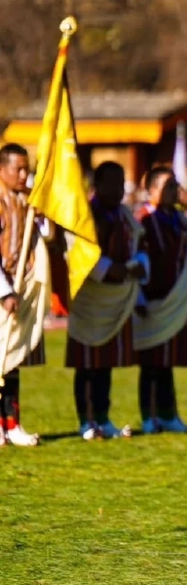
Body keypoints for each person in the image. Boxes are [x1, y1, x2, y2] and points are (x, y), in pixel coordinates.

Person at [66, 161, 147, 440]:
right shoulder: (86, 214)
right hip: (91, 299)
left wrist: (137, 264)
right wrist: (109, 268)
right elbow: (78, 250)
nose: (118, 190)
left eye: (122, 183)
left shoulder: (125, 214)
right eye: (112, 183)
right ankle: (85, 421)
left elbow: (139, 242)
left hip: (117, 298)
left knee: (105, 365)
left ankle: (103, 417)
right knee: (87, 364)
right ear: (96, 186)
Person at [133, 167, 187, 433]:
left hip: (176, 299)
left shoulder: (181, 221)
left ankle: (169, 414)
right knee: (151, 362)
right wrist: (139, 295)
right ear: (150, 190)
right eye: (167, 186)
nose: (173, 191)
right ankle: (150, 417)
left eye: (175, 185)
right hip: (152, 300)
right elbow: (136, 256)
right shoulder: (141, 220)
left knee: (167, 361)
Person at [0, 144, 50, 446]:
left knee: (13, 359)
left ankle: (12, 423)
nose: (23, 175)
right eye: (17, 169)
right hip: (5, 288)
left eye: (26, 169)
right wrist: (4, 292)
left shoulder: (27, 202)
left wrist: (44, 217)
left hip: (23, 287)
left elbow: (44, 242)